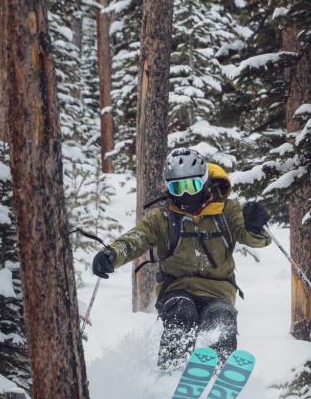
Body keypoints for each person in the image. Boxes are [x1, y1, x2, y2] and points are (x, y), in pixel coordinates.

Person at [92, 148, 271, 369]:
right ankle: (171, 374)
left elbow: (255, 239)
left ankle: (219, 374)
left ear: (204, 182)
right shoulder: (162, 217)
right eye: (177, 188)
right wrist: (112, 254)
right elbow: (135, 239)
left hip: (218, 291)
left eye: (191, 186)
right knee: (181, 316)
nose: (185, 195)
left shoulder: (227, 211)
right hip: (176, 289)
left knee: (221, 321)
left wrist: (255, 224)